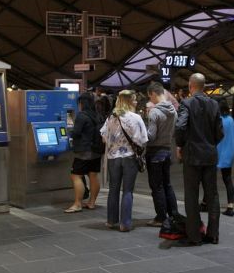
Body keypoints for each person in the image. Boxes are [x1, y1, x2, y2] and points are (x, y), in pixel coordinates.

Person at [175, 73, 224, 245]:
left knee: (191, 195)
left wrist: (180, 145)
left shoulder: (186, 103)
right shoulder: (214, 104)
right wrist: (210, 144)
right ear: (203, 86)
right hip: (210, 156)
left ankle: (195, 235)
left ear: (190, 86)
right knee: (213, 195)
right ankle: (213, 234)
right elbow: (220, 133)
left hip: (192, 156)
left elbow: (180, 126)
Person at [101, 90, 148, 232]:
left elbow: (103, 136)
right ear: (128, 101)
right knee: (127, 191)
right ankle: (125, 224)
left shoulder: (111, 117)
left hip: (113, 158)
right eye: (133, 100)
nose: (135, 102)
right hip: (129, 157)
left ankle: (111, 221)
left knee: (113, 189)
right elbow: (143, 139)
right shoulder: (136, 118)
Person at [145, 82, 179, 227]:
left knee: (157, 186)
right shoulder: (173, 111)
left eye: (150, 97)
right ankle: (173, 214)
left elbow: (151, 136)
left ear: (153, 93)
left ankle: (160, 217)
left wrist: (140, 133)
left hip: (155, 153)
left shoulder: (154, 112)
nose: (150, 100)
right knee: (167, 184)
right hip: (167, 150)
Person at [66, 93, 102, 213]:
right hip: (97, 151)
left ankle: (77, 204)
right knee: (93, 176)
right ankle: (91, 203)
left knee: (76, 175)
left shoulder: (82, 116)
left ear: (82, 103)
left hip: (84, 151)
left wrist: (68, 132)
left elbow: (76, 133)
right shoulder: (98, 115)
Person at [217, 99, 234, 217]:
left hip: (219, 151)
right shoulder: (231, 119)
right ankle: (230, 206)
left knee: (209, 180)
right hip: (230, 151)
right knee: (228, 179)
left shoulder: (218, 120)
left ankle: (206, 203)